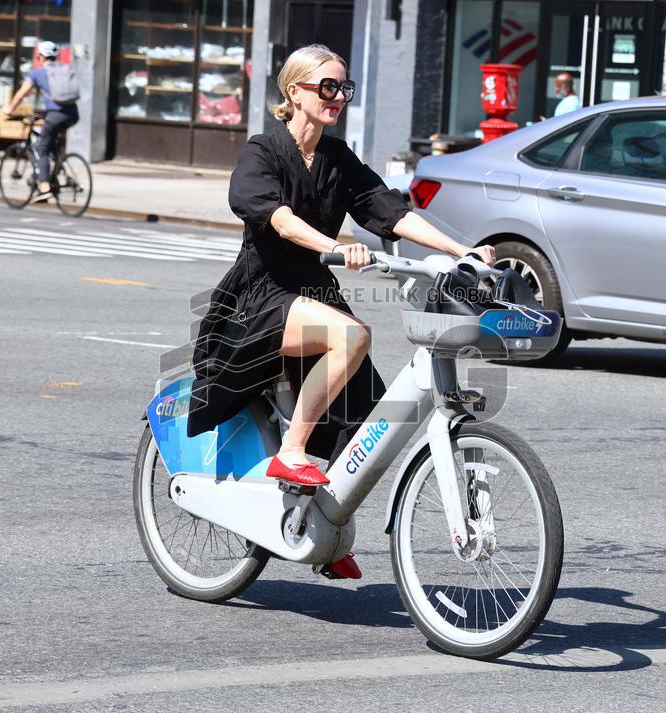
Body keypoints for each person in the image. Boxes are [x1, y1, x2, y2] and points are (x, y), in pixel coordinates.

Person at [186, 44, 494, 579]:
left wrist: (457, 252)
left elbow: (389, 212)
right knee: (352, 337)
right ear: (295, 92)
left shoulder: (336, 157)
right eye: (327, 87)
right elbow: (276, 218)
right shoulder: (263, 151)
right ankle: (292, 448)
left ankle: (321, 527)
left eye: (344, 88)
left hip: (313, 294)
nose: (338, 97)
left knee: (364, 424)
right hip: (261, 295)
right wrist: (330, 246)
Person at [2, 41, 78, 203]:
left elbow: (22, 94)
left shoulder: (38, 73)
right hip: (72, 113)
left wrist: (9, 108)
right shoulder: (64, 69)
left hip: (56, 115)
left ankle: (44, 187)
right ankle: (55, 174)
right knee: (54, 144)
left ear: (40, 56)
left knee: (41, 148)